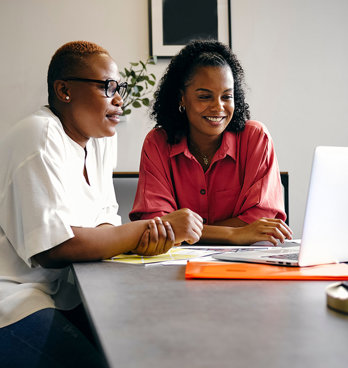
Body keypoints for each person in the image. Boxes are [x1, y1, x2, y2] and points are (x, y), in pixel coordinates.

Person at [0, 41, 203, 367]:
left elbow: (105, 223)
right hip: (12, 300)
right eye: (108, 87)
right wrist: (144, 229)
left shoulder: (98, 142)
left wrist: (145, 241)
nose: (119, 98)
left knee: (146, 343)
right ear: (64, 90)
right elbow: (53, 248)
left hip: (60, 295)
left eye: (118, 87)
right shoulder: (39, 136)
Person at [130, 40, 292, 246]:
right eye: (205, 96)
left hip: (246, 265)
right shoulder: (158, 143)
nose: (219, 107)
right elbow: (157, 226)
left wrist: (187, 231)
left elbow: (262, 222)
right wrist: (234, 234)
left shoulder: (256, 138)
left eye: (227, 96)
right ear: (182, 98)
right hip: (175, 267)